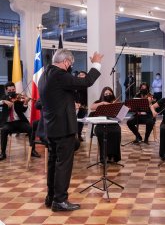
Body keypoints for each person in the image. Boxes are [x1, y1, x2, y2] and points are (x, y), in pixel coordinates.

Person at [38, 49, 103, 212]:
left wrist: (74, 82)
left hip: (51, 127)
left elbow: (59, 94)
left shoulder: (45, 75)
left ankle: (51, 197)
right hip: (62, 128)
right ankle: (60, 201)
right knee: (63, 164)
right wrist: (96, 63)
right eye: (70, 64)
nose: (70, 67)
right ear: (66, 61)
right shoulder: (60, 75)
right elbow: (88, 81)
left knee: (54, 162)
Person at [0, 81, 40, 161]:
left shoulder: (18, 97)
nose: (12, 92)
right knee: (4, 130)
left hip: (20, 121)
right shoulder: (4, 97)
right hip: (8, 123)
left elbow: (23, 110)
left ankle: (32, 150)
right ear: (6, 90)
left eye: (13, 90)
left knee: (30, 128)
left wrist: (25, 102)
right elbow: (0, 102)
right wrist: (4, 101)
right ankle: (3, 153)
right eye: (10, 91)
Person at [90, 87, 122, 162]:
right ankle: (104, 156)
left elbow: (120, 116)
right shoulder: (98, 102)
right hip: (101, 125)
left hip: (113, 125)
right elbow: (92, 107)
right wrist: (102, 103)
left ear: (112, 94)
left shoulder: (115, 102)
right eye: (106, 94)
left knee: (116, 132)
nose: (108, 95)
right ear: (102, 94)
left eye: (109, 94)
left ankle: (114, 155)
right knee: (102, 132)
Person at [75, 71, 88, 141]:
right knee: (74, 121)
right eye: (79, 75)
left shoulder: (86, 84)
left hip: (83, 105)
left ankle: (79, 135)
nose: (80, 76)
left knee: (80, 121)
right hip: (75, 104)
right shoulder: (76, 84)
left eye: (82, 75)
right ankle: (75, 135)